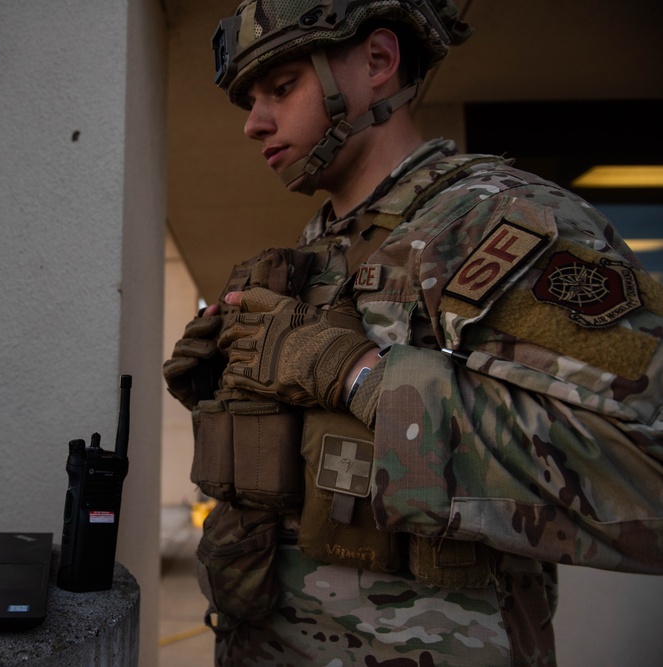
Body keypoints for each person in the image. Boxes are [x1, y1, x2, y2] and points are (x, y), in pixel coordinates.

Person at [163, 1, 663, 665]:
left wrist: (356, 373)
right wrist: (221, 391)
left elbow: (645, 470)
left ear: (376, 63)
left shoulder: (493, 223)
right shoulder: (316, 254)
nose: (255, 123)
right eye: (250, 100)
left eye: (281, 89)